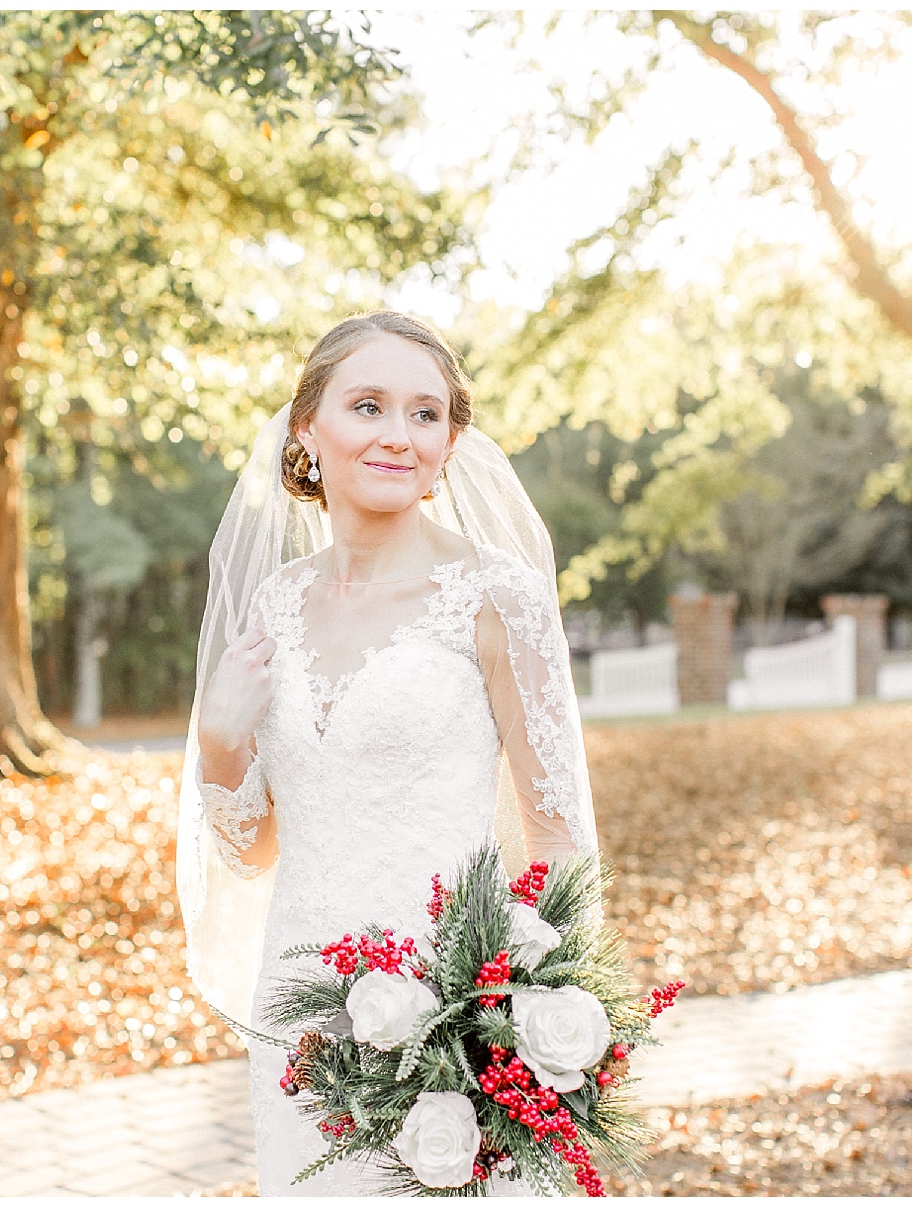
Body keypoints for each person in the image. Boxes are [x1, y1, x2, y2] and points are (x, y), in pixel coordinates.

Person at [176, 311, 600, 1195]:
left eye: (424, 413)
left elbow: (558, 838)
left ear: (449, 443)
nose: (398, 435)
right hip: (301, 1012)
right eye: (367, 405)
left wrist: (534, 1019)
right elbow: (253, 847)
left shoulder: (496, 597)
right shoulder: (276, 606)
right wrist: (219, 742)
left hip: (454, 1013)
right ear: (307, 429)